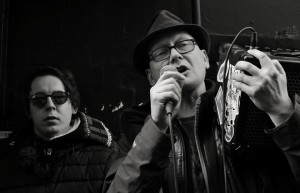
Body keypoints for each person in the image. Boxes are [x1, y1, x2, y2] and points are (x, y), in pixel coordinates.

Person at [108, 10, 300, 193]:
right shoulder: (135, 135)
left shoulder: (252, 110)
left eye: (184, 44)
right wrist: (156, 127)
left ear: (205, 58)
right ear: (151, 78)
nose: (175, 55)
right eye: (161, 53)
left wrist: (283, 111)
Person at [0, 66, 122, 193]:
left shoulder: (106, 161)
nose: (50, 105)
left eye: (59, 97)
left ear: (74, 106)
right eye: (39, 99)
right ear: (28, 109)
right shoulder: (5, 161)